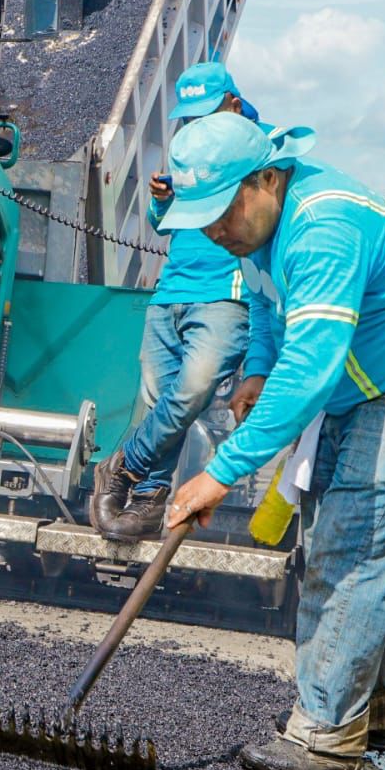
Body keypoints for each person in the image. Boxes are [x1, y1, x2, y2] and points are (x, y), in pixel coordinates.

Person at [157, 113, 385, 770]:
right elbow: (266, 307)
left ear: (263, 180)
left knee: (349, 555)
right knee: (326, 551)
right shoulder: (258, 235)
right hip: (366, 394)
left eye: (219, 212)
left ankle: (324, 738)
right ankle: (374, 707)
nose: (212, 230)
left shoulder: (322, 227)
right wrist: (255, 367)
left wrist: (220, 472)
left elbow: (310, 366)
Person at [92, 61, 260, 542]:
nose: (195, 126)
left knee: (192, 390)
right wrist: (160, 201)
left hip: (223, 293)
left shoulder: (258, 149)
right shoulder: (192, 149)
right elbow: (166, 225)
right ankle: (149, 500)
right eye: (189, 118)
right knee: (158, 398)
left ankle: (123, 466)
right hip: (173, 291)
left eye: (206, 115)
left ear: (232, 104)